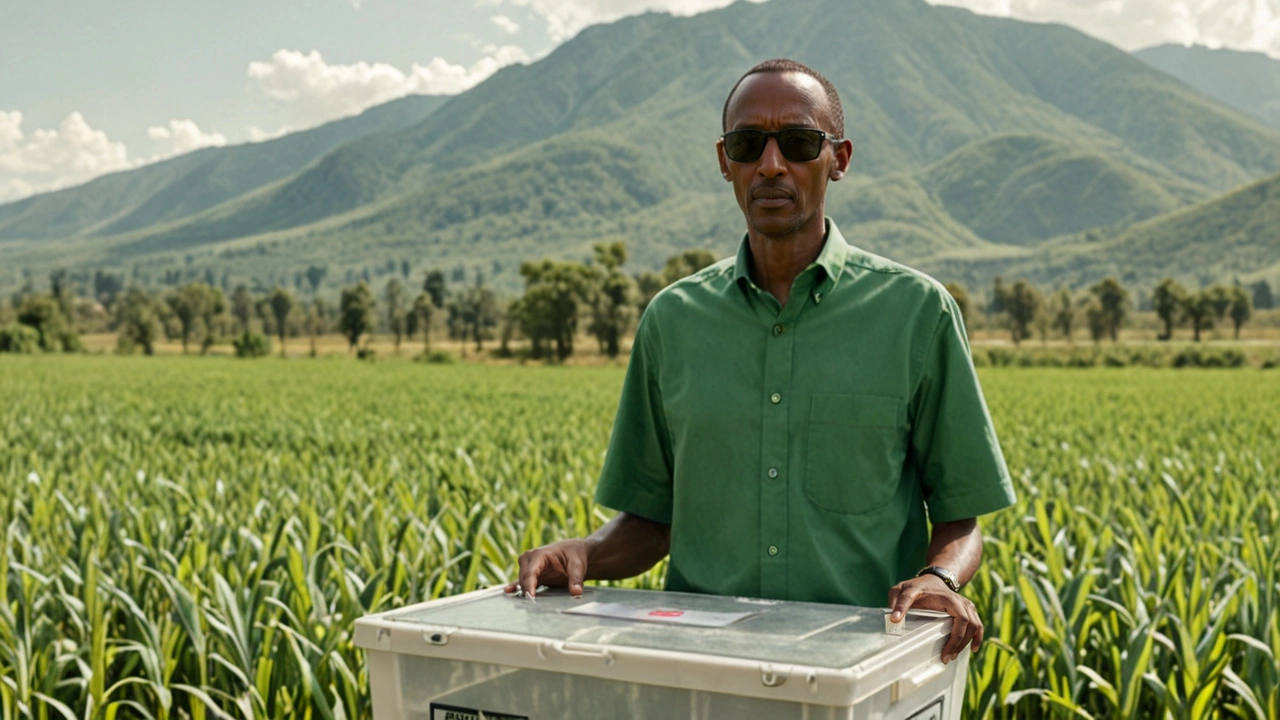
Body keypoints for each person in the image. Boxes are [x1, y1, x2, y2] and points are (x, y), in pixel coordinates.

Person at [505, 58, 1016, 666]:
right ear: (725, 161)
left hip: (857, 672)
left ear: (840, 158)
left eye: (799, 143)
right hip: (702, 671)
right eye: (749, 144)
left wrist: (941, 579)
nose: (771, 164)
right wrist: (586, 552)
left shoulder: (917, 313)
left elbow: (961, 519)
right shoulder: (673, 321)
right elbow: (652, 523)